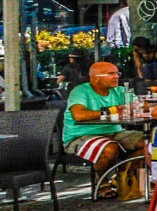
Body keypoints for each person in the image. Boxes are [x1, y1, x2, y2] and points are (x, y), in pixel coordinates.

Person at [63, 61, 149, 190]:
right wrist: (112, 110)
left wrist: (135, 107)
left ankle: (122, 176)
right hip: (81, 135)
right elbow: (79, 115)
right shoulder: (80, 91)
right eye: (110, 74)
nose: (116, 77)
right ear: (96, 78)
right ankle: (101, 183)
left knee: (150, 143)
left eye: (117, 73)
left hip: (115, 132)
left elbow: (144, 106)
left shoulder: (120, 90)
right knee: (109, 148)